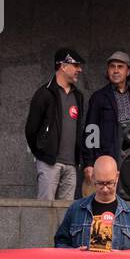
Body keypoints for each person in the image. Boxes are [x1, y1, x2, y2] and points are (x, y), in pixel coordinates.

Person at [25, 47, 86, 200]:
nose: (80, 69)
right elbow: (31, 129)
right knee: (44, 212)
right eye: (76, 65)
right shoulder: (44, 93)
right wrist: (42, 152)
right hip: (49, 163)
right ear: (63, 66)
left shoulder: (78, 96)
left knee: (67, 214)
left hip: (71, 165)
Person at [83, 50, 130, 180]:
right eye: (112, 67)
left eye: (120, 67)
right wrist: (89, 163)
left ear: (128, 72)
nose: (116, 70)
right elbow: (91, 130)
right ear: (108, 71)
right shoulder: (99, 97)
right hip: (106, 159)